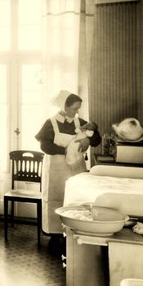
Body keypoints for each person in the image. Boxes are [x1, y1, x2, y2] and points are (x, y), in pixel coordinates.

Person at [35, 90, 101, 254]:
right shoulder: (51, 123)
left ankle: (72, 234)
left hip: (76, 168)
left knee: (75, 201)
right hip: (56, 168)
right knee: (55, 198)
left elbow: (97, 138)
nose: (77, 112)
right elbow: (44, 146)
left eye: (78, 109)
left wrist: (88, 139)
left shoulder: (80, 122)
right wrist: (66, 150)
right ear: (64, 108)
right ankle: (55, 236)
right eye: (74, 109)